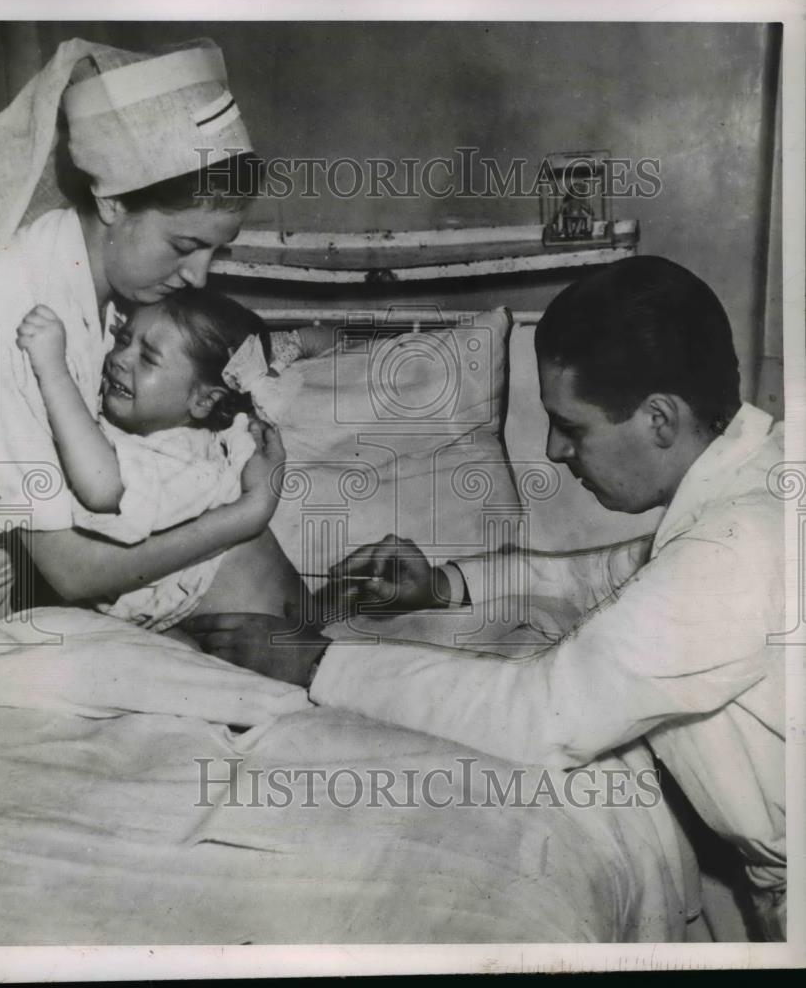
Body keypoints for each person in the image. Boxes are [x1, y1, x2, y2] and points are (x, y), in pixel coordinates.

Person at [188, 256, 786, 940]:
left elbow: (539, 713)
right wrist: (444, 583)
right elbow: (609, 574)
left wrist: (317, 664)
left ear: (658, 419)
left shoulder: (729, 552)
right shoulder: (755, 481)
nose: (555, 451)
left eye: (573, 427)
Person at [0, 37, 304, 636]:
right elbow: (74, 574)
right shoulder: (12, 313)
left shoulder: (110, 290)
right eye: (185, 246)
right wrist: (249, 512)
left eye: (216, 251)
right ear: (111, 203)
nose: (199, 275)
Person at [15, 289, 306, 632]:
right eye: (123, 340)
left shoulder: (180, 461)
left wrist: (53, 370)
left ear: (202, 402)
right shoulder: (158, 419)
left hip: (267, 627)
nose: (120, 359)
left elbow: (98, 486)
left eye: (149, 358)